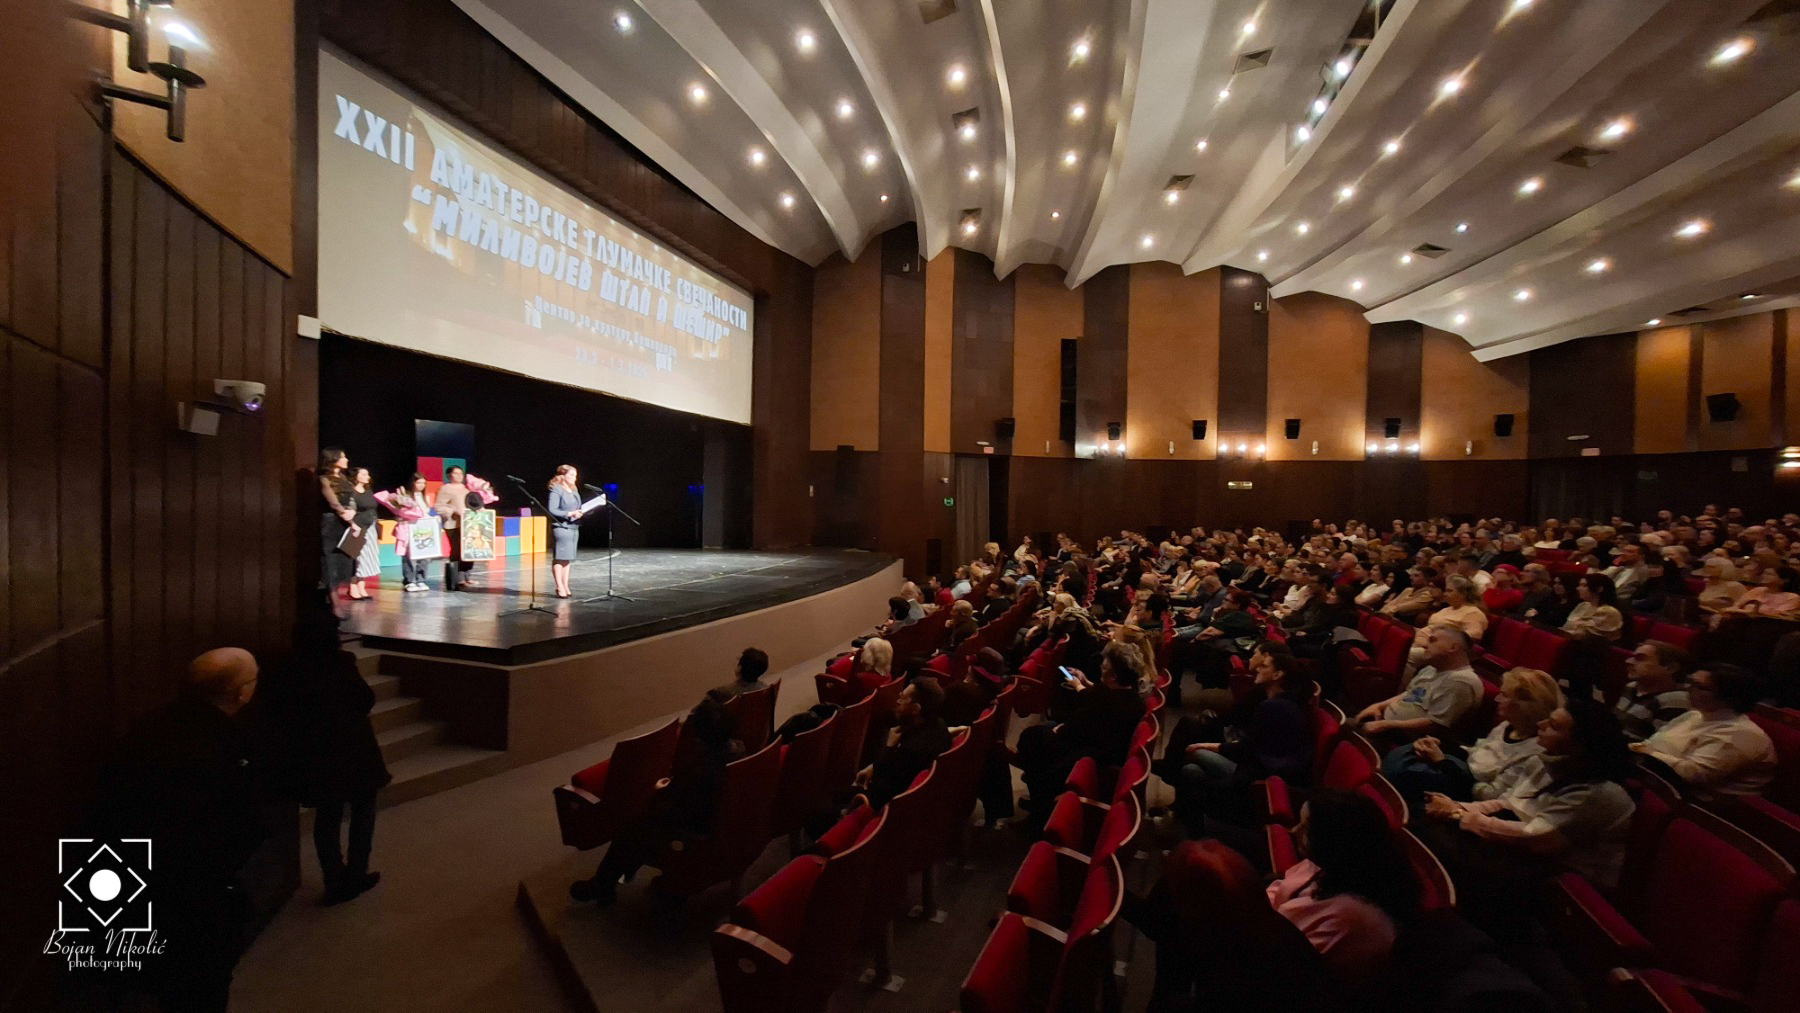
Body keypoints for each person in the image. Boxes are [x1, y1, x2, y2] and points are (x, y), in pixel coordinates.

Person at [95, 648, 267, 1013]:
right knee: (202, 987)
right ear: (241, 693)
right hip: (197, 894)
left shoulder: (148, 726)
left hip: (135, 879)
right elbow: (242, 825)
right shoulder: (227, 745)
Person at [1421, 699, 1636, 930]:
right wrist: (1456, 806)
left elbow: (1535, 838)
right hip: (1531, 858)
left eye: (1553, 725)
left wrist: (1457, 815)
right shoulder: (1547, 760)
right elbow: (1508, 803)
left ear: (1580, 745)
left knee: (1444, 848)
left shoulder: (1597, 792)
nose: (1541, 725)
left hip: (1568, 887)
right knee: (1426, 820)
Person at [261, 601, 391, 904]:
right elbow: (364, 699)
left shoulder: (285, 668)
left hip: (314, 754)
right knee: (363, 812)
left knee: (327, 816)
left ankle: (333, 878)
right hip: (354, 750)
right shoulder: (341, 662)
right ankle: (356, 873)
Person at [569, 691, 742, 906]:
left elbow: (677, 809)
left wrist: (660, 791)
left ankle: (602, 885)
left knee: (634, 828)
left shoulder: (701, 771)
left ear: (699, 736)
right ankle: (612, 879)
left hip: (696, 834)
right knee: (641, 824)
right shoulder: (739, 750)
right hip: (724, 824)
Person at [1267, 789, 1419, 989]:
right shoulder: (1326, 865)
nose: (1294, 831)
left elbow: (1282, 970)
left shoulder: (1351, 921)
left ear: (1333, 842)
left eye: (1306, 829)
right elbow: (1279, 888)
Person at [1169, 651, 1315, 835]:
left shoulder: (1276, 707)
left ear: (1277, 675)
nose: (1258, 668)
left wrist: (1210, 746)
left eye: (1265, 665)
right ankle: (1187, 825)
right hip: (1258, 770)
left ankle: (1189, 825)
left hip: (1258, 777)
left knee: (1194, 754)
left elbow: (1250, 750)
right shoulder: (1279, 702)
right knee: (1191, 768)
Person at [1382, 667, 1562, 808]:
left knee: (1402, 772)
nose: (1498, 699)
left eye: (1505, 695)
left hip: (1466, 791)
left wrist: (1443, 763)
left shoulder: (1534, 750)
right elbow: (1477, 753)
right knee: (1407, 754)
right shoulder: (1507, 726)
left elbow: (1489, 795)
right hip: (1458, 770)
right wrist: (1439, 747)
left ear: (1526, 706)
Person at [1015, 640, 1147, 818]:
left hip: (1096, 757)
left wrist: (1059, 729)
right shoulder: (1130, 696)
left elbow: (1074, 731)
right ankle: (1038, 797)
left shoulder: (1105, 703)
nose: (1101, 667)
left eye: (1105, 665)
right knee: (1038, 735)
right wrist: (1083, 682)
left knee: (1031, 739)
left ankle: (1040, 810)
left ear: (1114, 676)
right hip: (1100, 747)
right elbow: (1097, 698)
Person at [1631, 663, 1777, 798]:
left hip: (1705, 805)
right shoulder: (1695, 714)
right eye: (1690, 682)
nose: (1688, 689)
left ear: (1731, 699)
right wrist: (1641, 750)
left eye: (1700, 687)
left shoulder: (1740, 735)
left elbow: (1692, 774)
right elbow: (1652, 742)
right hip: (1660, 785)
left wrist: (1645, 752)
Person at [1354, 627, 1482, 743]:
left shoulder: (1460, 681)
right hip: (1386, 724)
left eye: (1432, 640)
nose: (1425, 645)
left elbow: (1434, 726)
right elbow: (1409, 694)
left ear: (1453, 647)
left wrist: (1386, 724)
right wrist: (1378, 706)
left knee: (1347, 734)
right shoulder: (1432, 668)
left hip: (1409, 741)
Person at [856, 677, 953, 809]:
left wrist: (889, 747)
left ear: (916, 709)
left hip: (889, 805)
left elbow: (878, 792)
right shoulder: (940, 725)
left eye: (902, 699)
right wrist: (873, 766)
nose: (897, 701)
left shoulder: (911, 750)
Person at [1612, 640, 1691, 741]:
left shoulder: (1675, 701)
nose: (1628, 661)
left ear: (1671, 668)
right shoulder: (1631, 687)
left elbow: (1658, 744)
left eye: (1640, 658)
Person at [374, 474, 431, 592]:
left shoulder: (426, 497)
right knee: (409, 555)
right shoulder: (406, 497)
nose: (421, 485)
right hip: (409, 529)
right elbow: (400, 511)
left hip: (423, 529)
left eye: (423, 483)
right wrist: (404, 515)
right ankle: (410, 580)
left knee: (424, 556)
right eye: (419, 482)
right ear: (413, 483)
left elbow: (426, 513)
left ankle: (420, 579)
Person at [317, 448, 356, 601]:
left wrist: (352, 511)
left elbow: (352, 499)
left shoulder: (344, 478)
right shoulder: (324, 479)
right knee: (330, 558)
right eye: (343, 457)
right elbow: (332, 501)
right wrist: (344, 513)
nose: (346, 460)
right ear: (333, 460)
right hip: (331, 522)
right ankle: (332, 598)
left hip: (345, 521)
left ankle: (338, 592)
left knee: (344, 559)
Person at [545, 464, 584, 598]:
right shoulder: (556, 489)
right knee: (560, 558)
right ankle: (559, 586)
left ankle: (565, 585)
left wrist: (580, 512)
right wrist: (569, 514)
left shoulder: (573, 490)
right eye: (571, 475)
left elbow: (578, 506)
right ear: (563, 475)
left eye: (575, 475)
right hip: (561, 527)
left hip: (574, 527)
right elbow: (552, 509)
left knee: (567, 558)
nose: (574, 478)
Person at [434, 465, 474, 591]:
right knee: (457, 550)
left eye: (461, 473)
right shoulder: (445, 489)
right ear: (449, 475)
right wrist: (454, 510)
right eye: (456, 473)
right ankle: (456, 578)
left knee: (469, 550)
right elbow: (439, 506)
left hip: (467, 524)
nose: (459, 476)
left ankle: (466, 576)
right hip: (453, 524)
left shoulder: (466, 488)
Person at [346, 467, 381, 601]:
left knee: (367, 557)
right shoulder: (351, 492)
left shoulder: (368, 490)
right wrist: (353, 525)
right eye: (364, 474)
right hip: (359, 527)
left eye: (368, 474)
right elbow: (350, 510)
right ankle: (353, 587)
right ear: (356, 476)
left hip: (371, 526)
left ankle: (362, 587)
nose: (368, 477)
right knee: (358, 558)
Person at [1720, 565, 1800, 619]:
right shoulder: (1758, 590)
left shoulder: (1792, 597)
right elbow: (1737, 605)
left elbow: (1775, 615)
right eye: (1764, 573)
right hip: (1743, 619)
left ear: (1784, 580)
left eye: (1769, 574)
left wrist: (1751, 609)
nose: (1764, 576)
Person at [1562, 574, 1624, 641]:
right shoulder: (1583, 605)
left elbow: (1586, 636)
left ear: (1599, 589)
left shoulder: (1607, 612)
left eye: (1584, 585)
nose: (1578, 588)